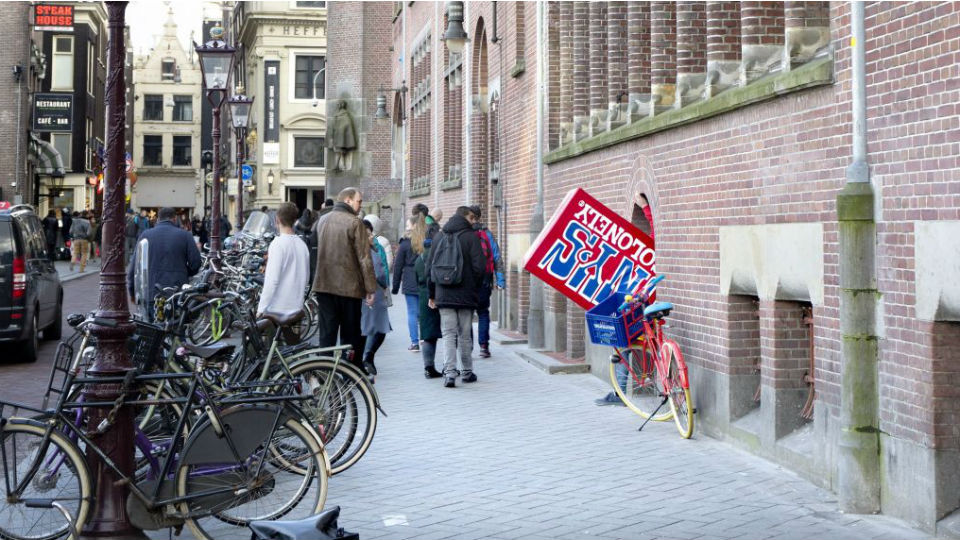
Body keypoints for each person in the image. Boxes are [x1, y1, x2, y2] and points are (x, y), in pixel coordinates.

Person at [597, 195, 655, 406]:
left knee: (623, 341)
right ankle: (619, 391)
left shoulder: (652, 247)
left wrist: (646, 208)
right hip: (640, 299)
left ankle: (619, 393)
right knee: (624, 341)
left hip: (645, 302)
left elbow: (656, 233)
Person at [311, 187, 377, 372]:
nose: (360, 205)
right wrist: (370, 288)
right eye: (359, 201)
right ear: (348, 200)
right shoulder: (355, 223)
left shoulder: (322, 220)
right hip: (349, 288)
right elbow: (364, 258)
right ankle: (349, 373)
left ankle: (324, 374)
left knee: (327, 335)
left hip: (323, 286)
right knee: (350, 337)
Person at [426, 206, 485, 388]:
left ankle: (450, 373)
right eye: (472, 218)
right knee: (465, 334)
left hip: (444, 293)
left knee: (448, 334)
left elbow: (430, 268)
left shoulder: (439, 237)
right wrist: (474, 287)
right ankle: (467, 372)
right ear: (466, 218)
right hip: (466, 294)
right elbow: (480, 267)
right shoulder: (471, 237)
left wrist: (432, 294)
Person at [126, 207, 202, 321]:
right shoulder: (185, 235)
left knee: (153, 330)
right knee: (176, 328)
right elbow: (196, 263)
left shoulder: (146, 235)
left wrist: (132, 291)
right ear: (174, 218)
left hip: (151, 290)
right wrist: (185, 272)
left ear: (158, 219)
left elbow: (135, 267)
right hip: (177, 291)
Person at [257, 202, 310, 319]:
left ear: (277, 220)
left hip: (277, 310)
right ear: (295, 220)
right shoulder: (302, 245)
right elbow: (306, 278)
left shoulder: (277, 244)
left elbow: (272, 280)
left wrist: (261, 309)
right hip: (296, 308)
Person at [468, 205, 506, 358]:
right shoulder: (487, 233)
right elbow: (497, 258)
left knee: (467, 315)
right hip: (485, 279)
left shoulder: (465, 234)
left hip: (468, 280)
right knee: (483, 312)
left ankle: (467, 346)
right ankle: (484, 347)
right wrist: (500, 281)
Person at [360, 219, 392, 376]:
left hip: (373, 294)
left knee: (372, 328)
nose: (372, 236)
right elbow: (379, 272)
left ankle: (367, 358)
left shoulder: (372, 248)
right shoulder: (368, 251)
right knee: (377, 329)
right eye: (368, 234)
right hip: (373, 293)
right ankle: (367, 357)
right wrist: (384, 285)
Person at [393, 216, 425, 352]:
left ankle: (414, 342)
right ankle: (424, 337)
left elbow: (398, 266)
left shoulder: (405, 244)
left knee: (412, 312)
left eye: (408, 225)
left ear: (413, 226)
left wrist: (395, 287)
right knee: (421, 311)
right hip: (423, 280)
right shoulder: (425, 242)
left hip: (409, 280)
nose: (406, 227)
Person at [416, 234, 443, 378]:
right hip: (439, 296)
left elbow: (416, 279)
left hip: (423, 299)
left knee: (427, 334)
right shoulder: (438, 257)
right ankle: (449, 366)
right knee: (448, 333)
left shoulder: (418, 260)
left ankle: (428, 367)